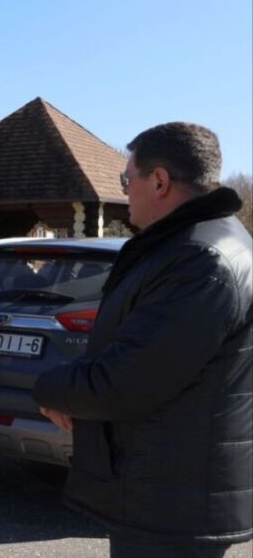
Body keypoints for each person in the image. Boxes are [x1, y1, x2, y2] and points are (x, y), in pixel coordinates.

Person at [33, 122, 252, 558]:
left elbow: (127, 382)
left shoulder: (198, 259)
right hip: (171, 490)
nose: (125, 190)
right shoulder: (200, 244)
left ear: (159, 181)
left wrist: (49, 389)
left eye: (126, 178)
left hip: (173, 503)